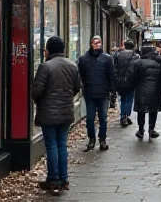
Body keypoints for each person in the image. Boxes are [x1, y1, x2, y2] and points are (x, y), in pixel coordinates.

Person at [31, 36, 81, 191]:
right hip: (66, 112)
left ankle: (53, 179)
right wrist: (66, 98)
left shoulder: (45, 67)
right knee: (61, 145)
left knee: (51, 146)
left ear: (48, 50)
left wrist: (42, 101)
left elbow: (36, 91)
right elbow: (77, 87)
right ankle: (64, 179)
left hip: (49, 113)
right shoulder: (72, 66)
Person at [78, 35, 116, 151]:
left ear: (101, 44)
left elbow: (111, 76)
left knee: (103, 118)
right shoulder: (84, 59)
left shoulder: (107, 59)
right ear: (91, 44)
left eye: (98, 42)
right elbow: (81, 75)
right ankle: (91, 139)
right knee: (90, 118)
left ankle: (102, 139)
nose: (96, 45)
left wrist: (112, 91)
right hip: (90, 93)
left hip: (103, 93)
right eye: (94, 42)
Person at [126, 45, 161, 140]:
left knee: (141, 111)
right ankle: (151, 129)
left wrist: (133, 86)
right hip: (156, 90)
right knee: (153, 110)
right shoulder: (160, 63)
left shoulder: (137, 63)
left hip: (141, 90)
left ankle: (141, 130)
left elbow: (131, 76)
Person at [114, 39, 139, 127]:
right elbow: (135, 70)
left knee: (123, 99)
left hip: (120, 81)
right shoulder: (136, 56)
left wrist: (116, 79)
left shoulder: (118, 54)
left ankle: (122, 116)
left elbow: (115, 68)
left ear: (124, 46)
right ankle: (125, 115)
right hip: (130, 81)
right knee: (129, 99)